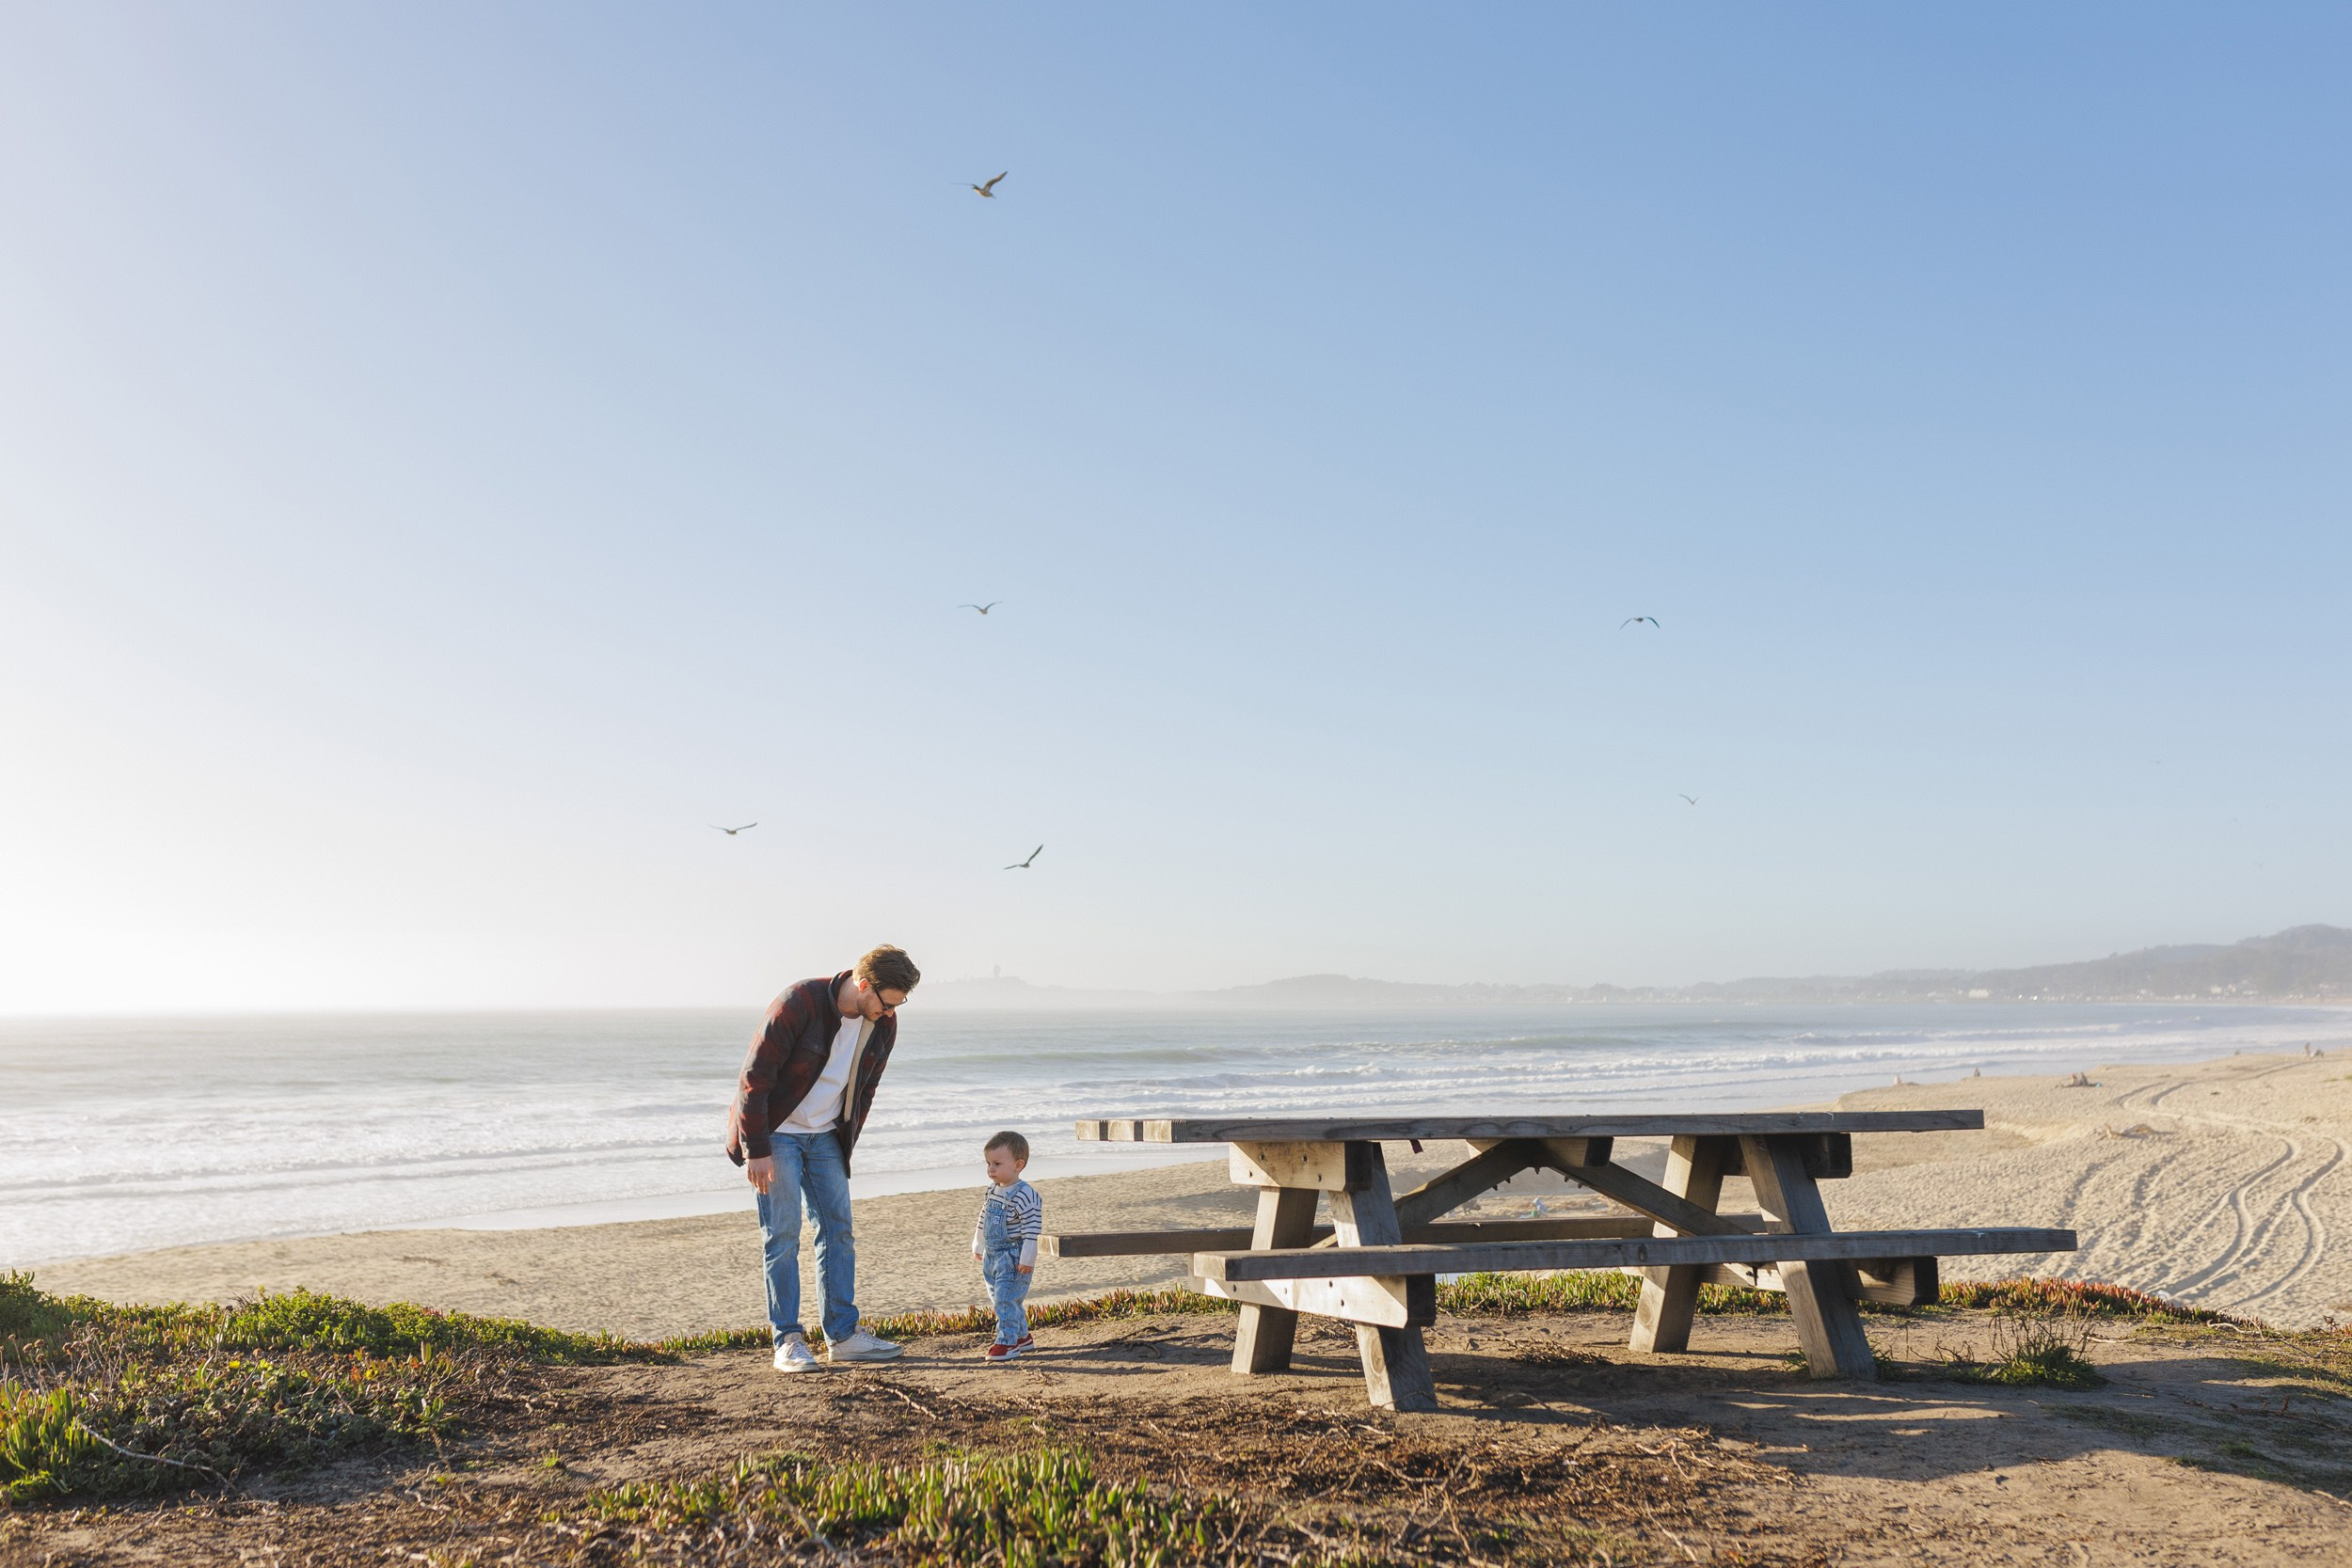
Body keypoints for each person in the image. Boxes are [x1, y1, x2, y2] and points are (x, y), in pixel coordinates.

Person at [726, 944, 920, 1372]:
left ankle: (844, 1336)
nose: (890, 1013)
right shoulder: (800, 1002)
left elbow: (866, 1089)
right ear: (864, 985)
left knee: (838, 1232)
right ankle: (788, 1341)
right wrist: (756, 1148)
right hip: (778, 1133)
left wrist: (844, 1140)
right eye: (887, 1003)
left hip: (826, 1138)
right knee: (782, 1235)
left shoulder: (883, 1024)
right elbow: (754, 1078)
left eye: (897, 1005)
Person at [969, 1130, 1042, 1362]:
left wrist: (1027, 1258)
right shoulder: (992, 1190)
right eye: (988, 1163)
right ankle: (1022, 1336)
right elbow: (984, 1218)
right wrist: (979, 1243)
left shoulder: (1026, 1195)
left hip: (1013, 1257)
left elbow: (1032, 1230)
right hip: (992, 1255)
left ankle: (1007, 1342)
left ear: (1018, 1165)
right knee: (998, 1297)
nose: (991, 1169)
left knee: (1005, 1300)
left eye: (997, 1164)